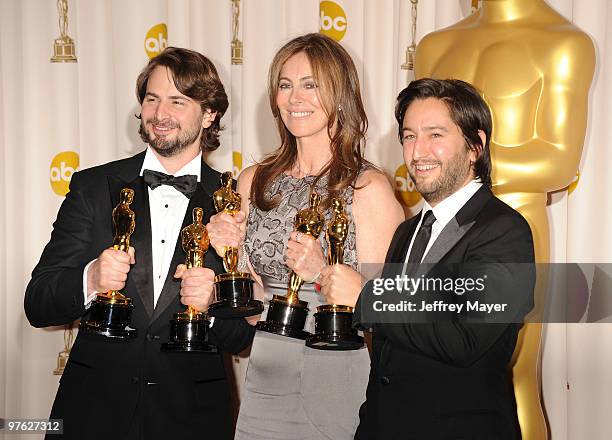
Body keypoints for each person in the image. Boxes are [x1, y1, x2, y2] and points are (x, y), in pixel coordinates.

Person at [24, 47, 255, 440]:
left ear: (210, 113)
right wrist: (90, 279)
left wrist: (211, 306)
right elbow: (38, 303)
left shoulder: (235, 198)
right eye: (152, 99)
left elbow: (243, 339)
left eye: (178, 101)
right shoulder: (94, 187)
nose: (159, 114)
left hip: (193, 419)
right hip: (91, 414)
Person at [206, 33, 404, 439]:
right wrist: (228, 256)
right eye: (285, 84)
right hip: (265, 376)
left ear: (340, 93)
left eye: (310, 84)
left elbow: (389, 316)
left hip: (336, 374)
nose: (294, 98)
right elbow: (252, 305)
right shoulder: (253, 181)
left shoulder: (369, 188)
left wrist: (322, 272)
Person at [414, 3, 595, 436]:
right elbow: (418, 145)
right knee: (428, 371)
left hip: (516, 225)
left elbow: (558, 161)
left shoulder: (563, 41)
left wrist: (455, 162)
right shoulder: (434, 45)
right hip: (436, 228)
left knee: (511, 377)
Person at [353, 78, 535, 440]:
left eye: (435, 135)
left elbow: (465, 340)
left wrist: (366, 296)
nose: (418, 151)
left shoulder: (504, 230)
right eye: (408, 136)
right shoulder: (407, 232)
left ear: (475, 146)